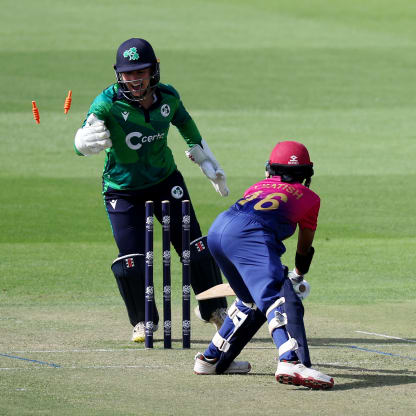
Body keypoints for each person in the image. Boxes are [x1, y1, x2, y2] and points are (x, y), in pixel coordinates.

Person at [74, 38, 229, 343]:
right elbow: (86, 132)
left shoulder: (168, 97)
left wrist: (208, 163)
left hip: (165, 181)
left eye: (140, 72)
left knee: (194, 248)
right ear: (120, 75)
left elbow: (187, 127)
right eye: (128, 73)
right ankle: (143, 321)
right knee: (131, 259)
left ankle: (213, 310)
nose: (134, 79)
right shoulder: (107, 102)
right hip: (122, 190)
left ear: (153, 71)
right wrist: (80, 142)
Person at [193, 141, 334, 389]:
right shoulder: (310, 198)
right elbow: (304, 248)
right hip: (249, 235)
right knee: (280, 294)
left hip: (218, 230)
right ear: (306, 174)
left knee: (250, 301)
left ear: (271, 169)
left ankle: (211, 358)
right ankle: (290, 359)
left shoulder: (257, 186)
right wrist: (297, 276)